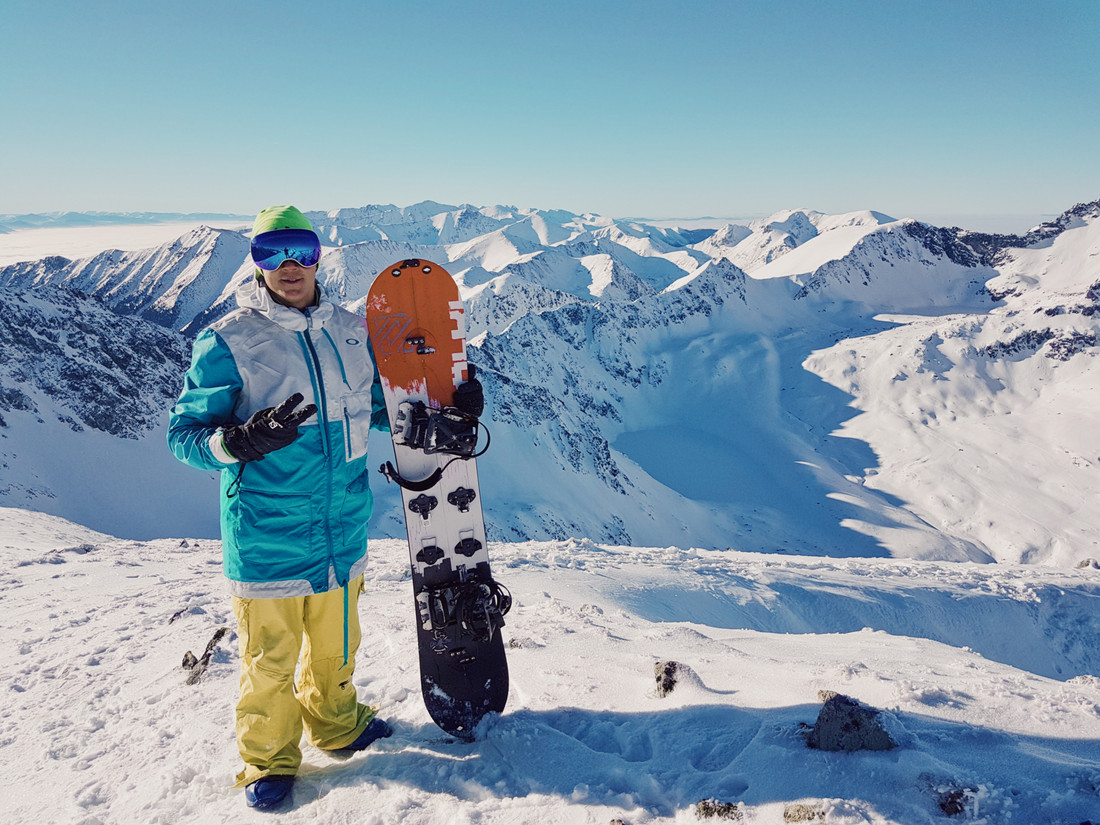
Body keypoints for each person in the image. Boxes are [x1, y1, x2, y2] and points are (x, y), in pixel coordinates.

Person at [167, 205, 393, 810]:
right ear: (256, 263)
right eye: (272, 253)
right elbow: (183, 435)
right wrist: (234, 441)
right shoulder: (229, 340)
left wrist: (448, 396)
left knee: (337, 645)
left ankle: (338, 725)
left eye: (300, 249)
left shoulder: (351, 331)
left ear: (319, 255)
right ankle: (268, 760)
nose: (288, 266)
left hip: (342, 524)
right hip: (267, 530)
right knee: (269, 661)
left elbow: (381, 408)